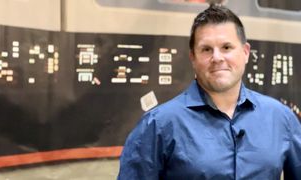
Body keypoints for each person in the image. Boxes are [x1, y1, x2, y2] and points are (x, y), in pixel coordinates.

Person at [117, 4, 301, 180]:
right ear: (193, 58)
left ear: (245, 52)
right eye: (206, 49)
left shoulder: (281, 118)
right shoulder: (157, 125)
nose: (217, 58)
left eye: (226, 47)